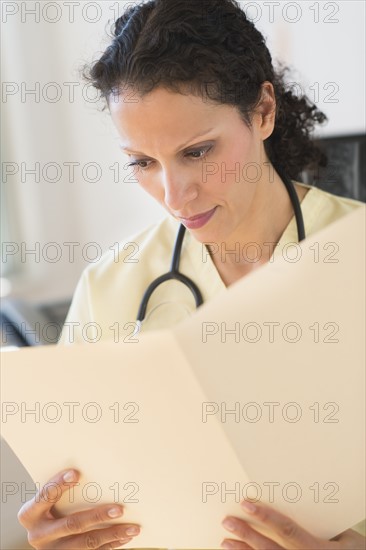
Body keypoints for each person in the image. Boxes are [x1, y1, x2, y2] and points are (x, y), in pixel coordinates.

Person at [18, 0, 366, 548]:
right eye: (142, 163)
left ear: (264, 111)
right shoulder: (112, 286)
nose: (174, 196)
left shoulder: (357, 253)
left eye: (198, 151)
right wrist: (63, 535)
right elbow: (85, 494)